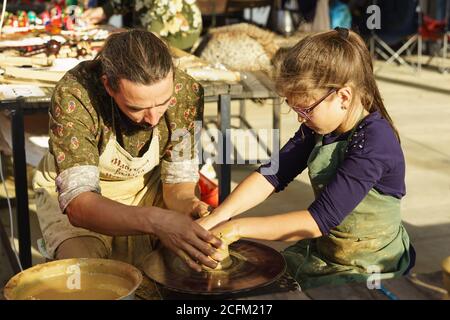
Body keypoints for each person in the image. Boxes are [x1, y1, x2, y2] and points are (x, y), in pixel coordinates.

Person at [198, 27, 415, 289]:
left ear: (343, 97)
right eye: (295, 109)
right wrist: (219, 216)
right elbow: (272, 173)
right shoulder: (318, 127)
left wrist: (236, 228)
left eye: (306, 109)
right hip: (328, 252)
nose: (301, 118)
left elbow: (319, 220)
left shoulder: (374, 142)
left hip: (371, 263)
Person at [33, 29, 222, 272]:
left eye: (162, 103)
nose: (153, 118)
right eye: (136, 107)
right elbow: (79, 206)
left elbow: (177, 183)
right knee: (84, 274)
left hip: (148, 187)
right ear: (109, 86)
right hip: (83, 197)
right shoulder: (77, 94)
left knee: (187, 267)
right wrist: (155, 221)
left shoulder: (187, 92)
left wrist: (190, 204)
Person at [81, 0, 203, 50]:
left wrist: (128, 35)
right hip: (150, 27)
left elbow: (151, 39)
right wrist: (103, 11)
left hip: (178, 38)